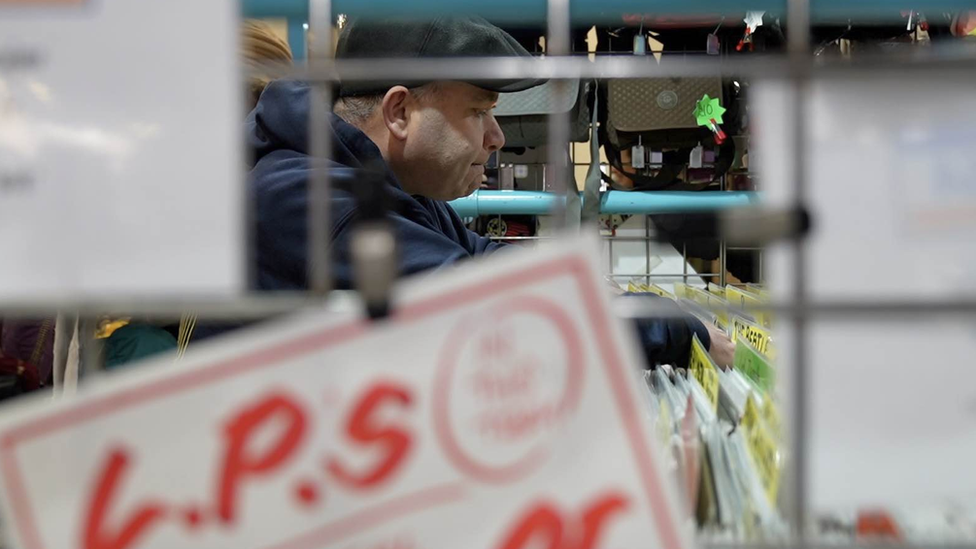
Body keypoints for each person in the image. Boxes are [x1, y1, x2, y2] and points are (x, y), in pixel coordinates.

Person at [245, 16, 734, 368]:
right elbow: (497, 307)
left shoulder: (371, 177)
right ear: (398, 113)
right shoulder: (314, 201)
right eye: (479, 112)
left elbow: (479, 258)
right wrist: (677, 331)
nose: (497, 137)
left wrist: (578, 282)